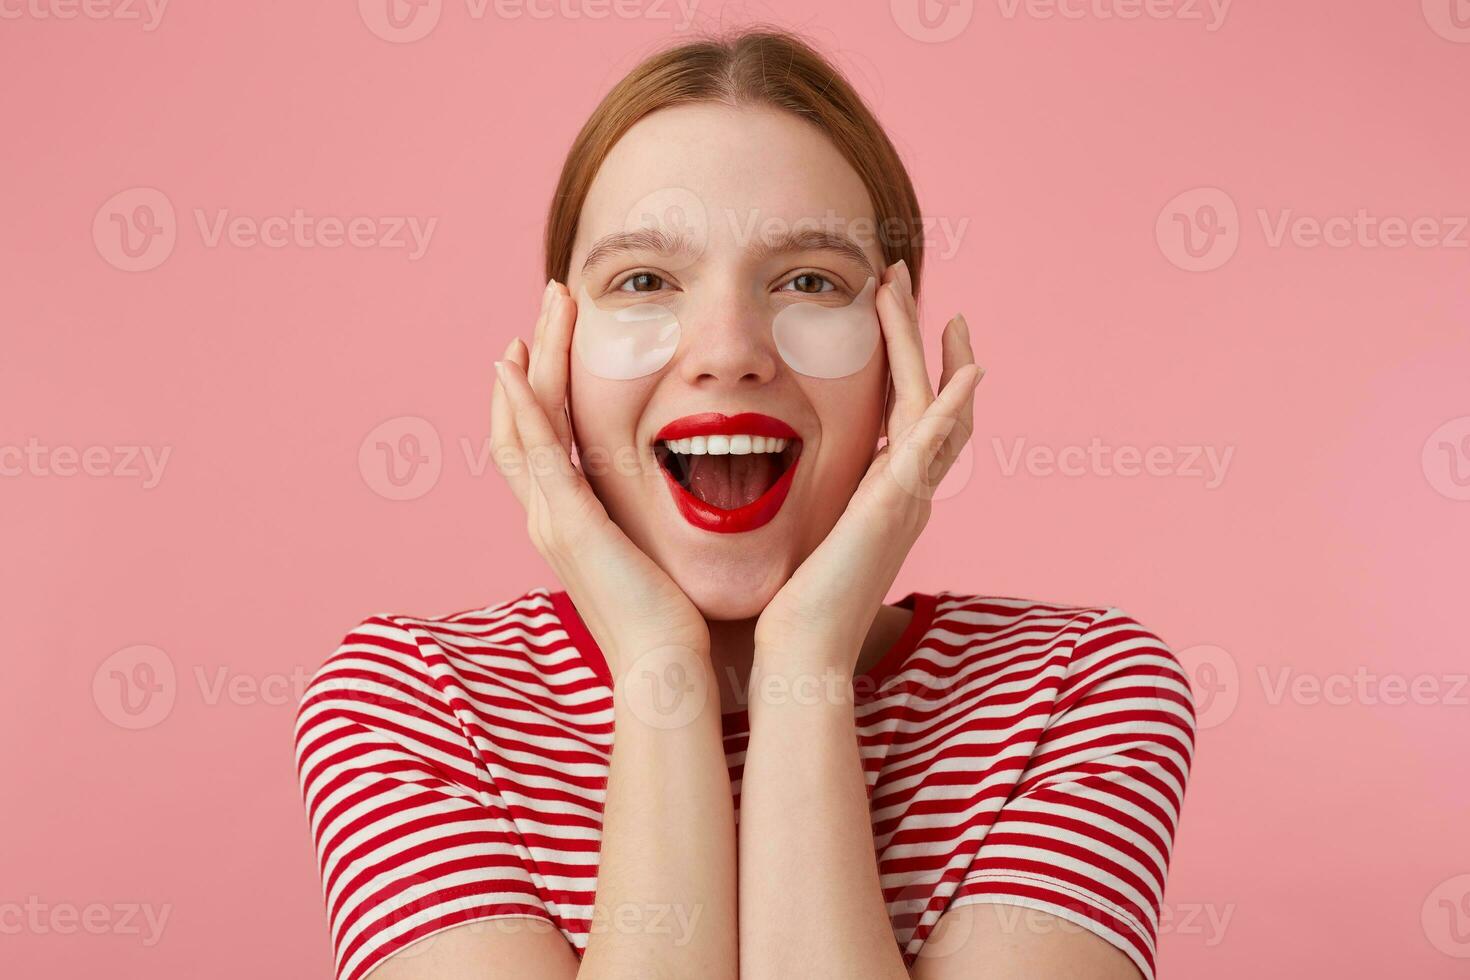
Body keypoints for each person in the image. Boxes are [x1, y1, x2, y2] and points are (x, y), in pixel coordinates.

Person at [294, 27, 1196, 980]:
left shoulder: (1073, 696)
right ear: (559, 348)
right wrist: (657, 669)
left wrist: (807, 668)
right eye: (643, 280)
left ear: (900, 362)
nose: (729, 348)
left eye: (810, 280)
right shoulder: (410, 706)